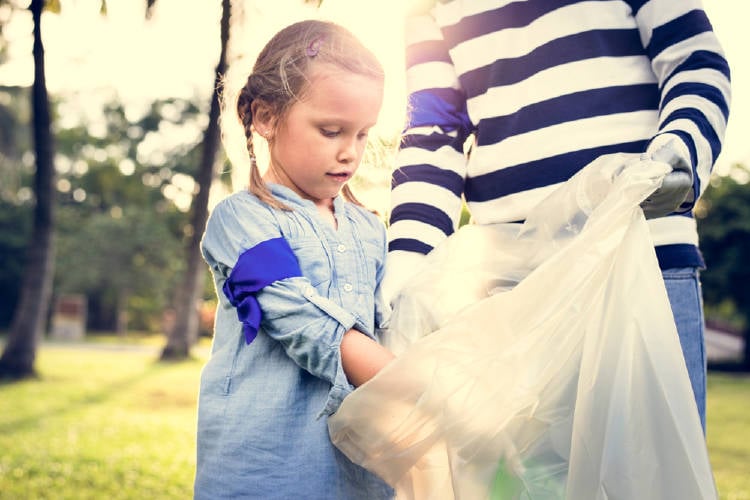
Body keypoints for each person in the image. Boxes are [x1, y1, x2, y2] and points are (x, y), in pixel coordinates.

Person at [386, 0, 731, 431]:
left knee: (654, 467)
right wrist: (409, 258)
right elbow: (433, 136)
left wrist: (681, 147)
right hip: (514, 286)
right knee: (525, 486)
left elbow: (694, 62)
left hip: (645, 256)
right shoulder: (430, 10)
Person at [194, 20, 394, 499]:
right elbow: (297, 313)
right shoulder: (241, 220)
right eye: (331, 131)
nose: (350, 152)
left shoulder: (371, 230)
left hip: (357, 477)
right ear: (264, 116)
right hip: (263, 473)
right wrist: (410, 383)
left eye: (364, 134)